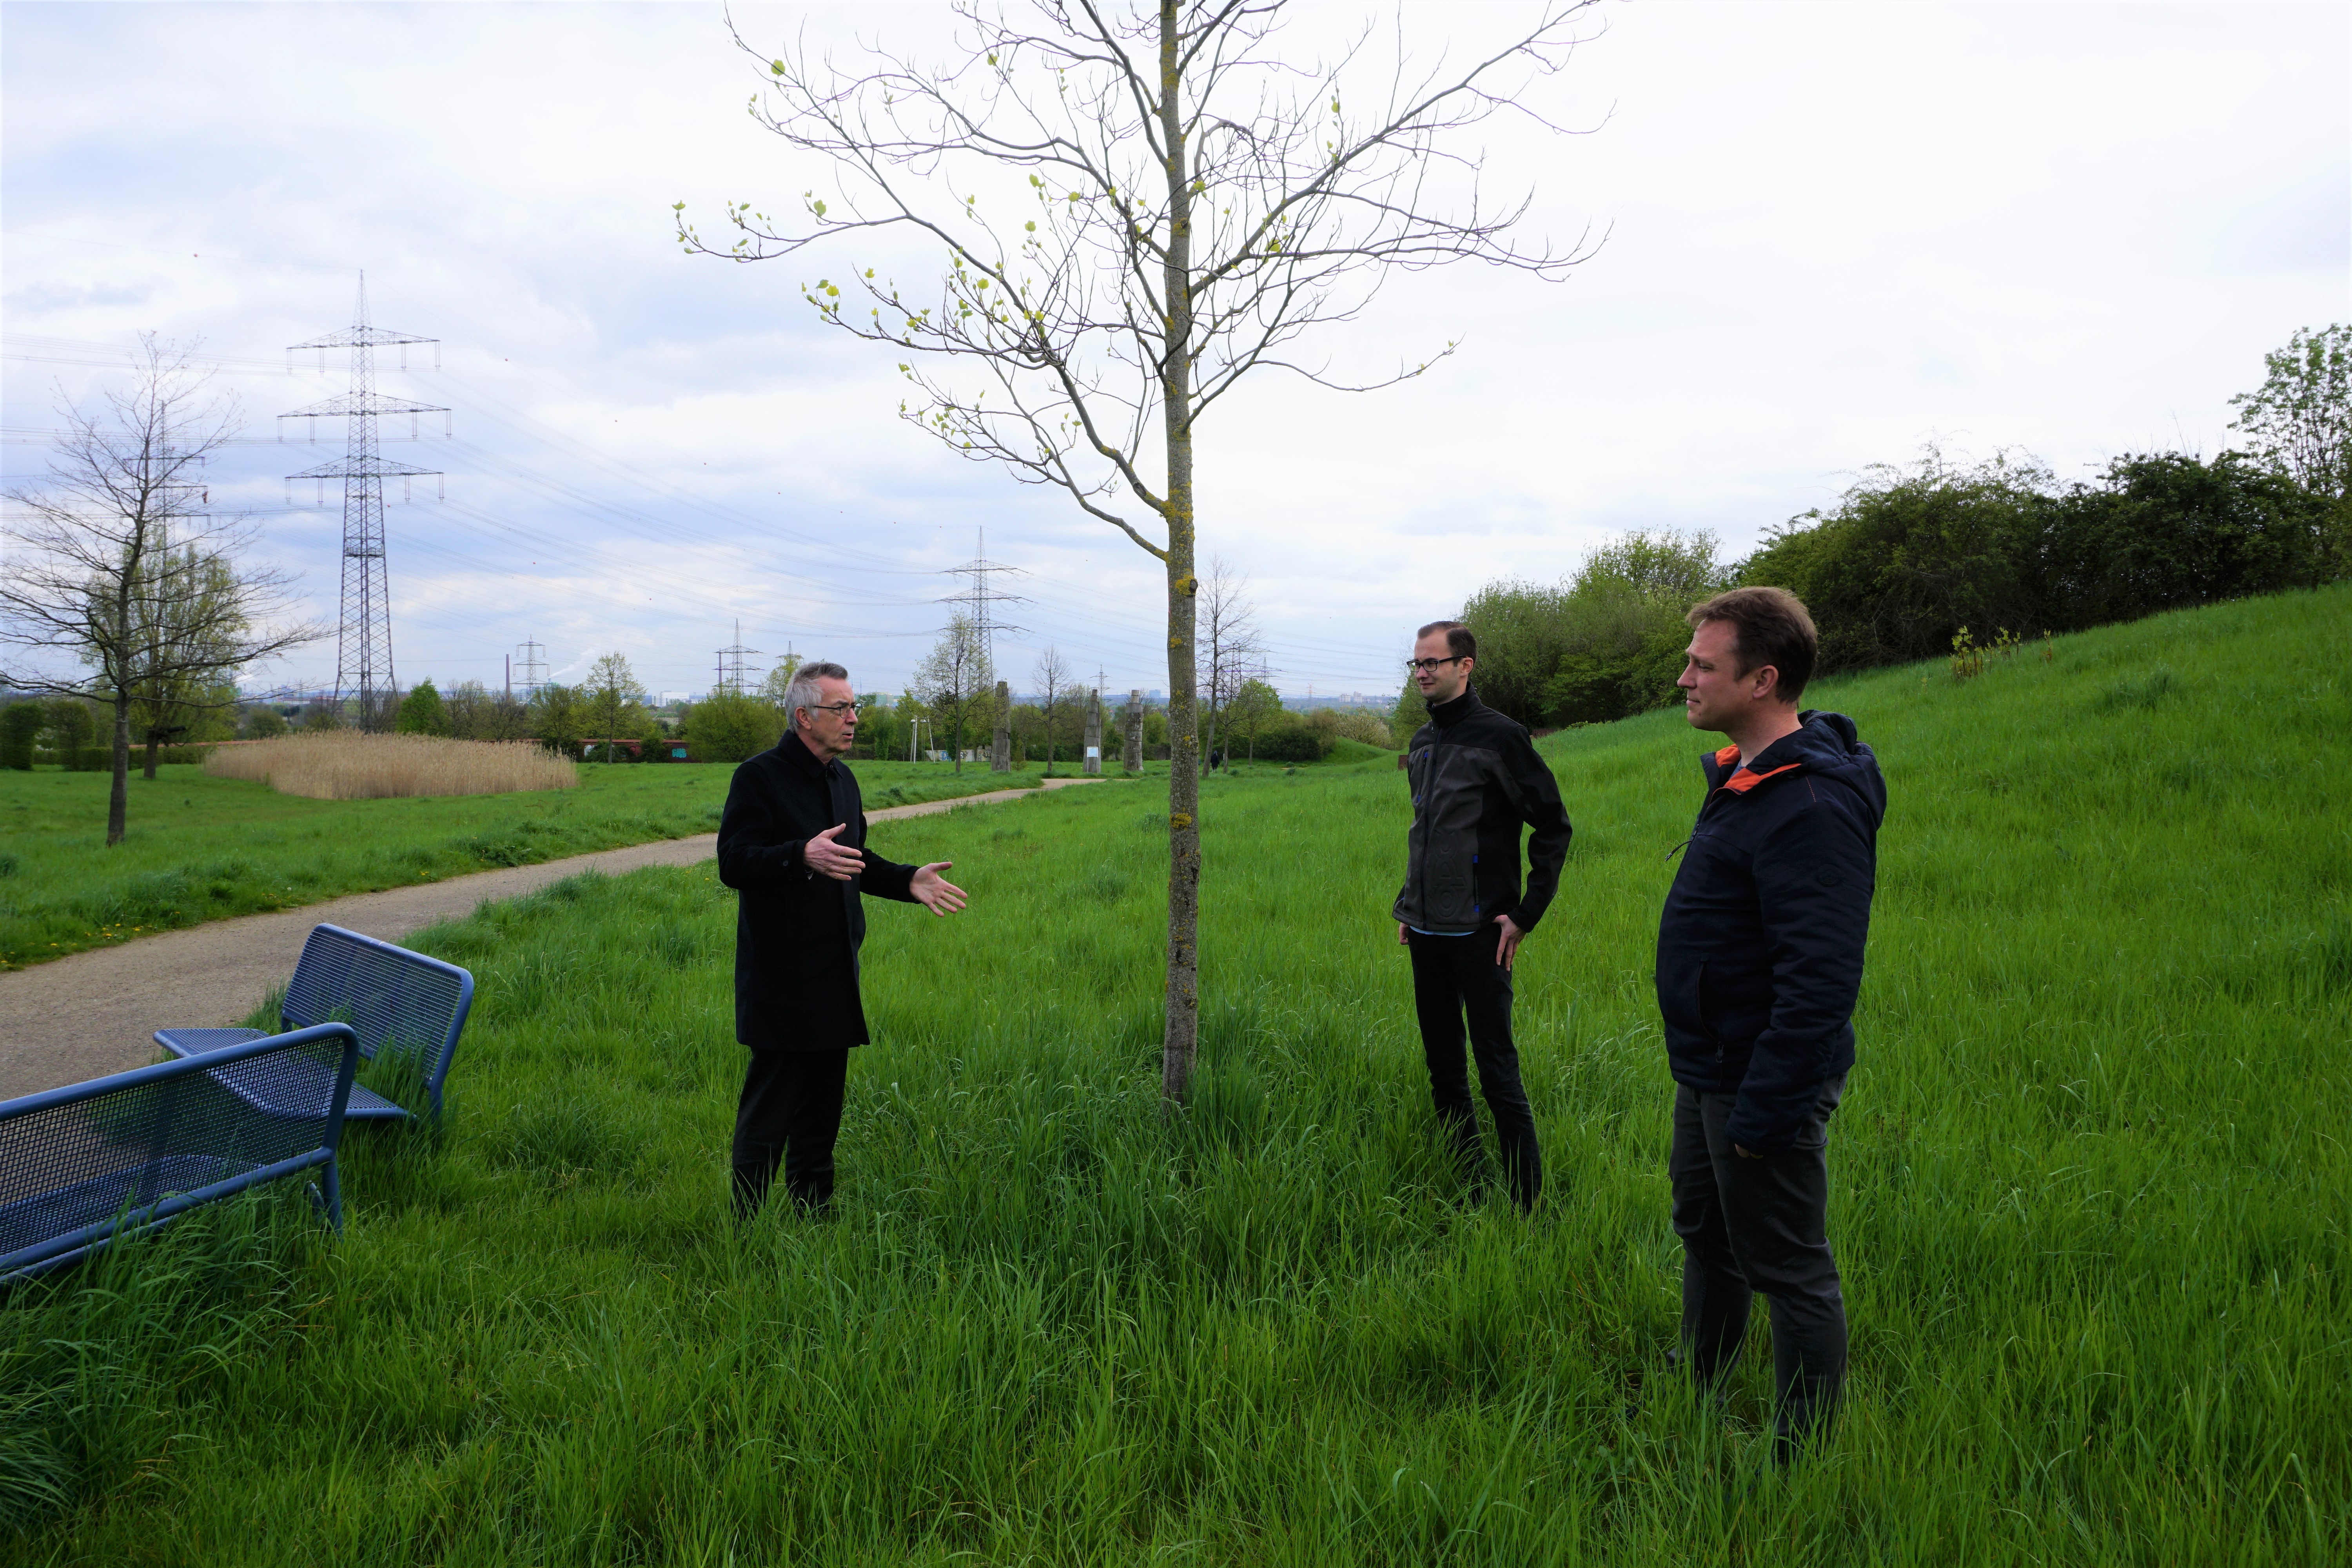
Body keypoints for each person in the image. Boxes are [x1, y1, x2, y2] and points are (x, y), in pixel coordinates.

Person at [1656, 586, 1885, 1459]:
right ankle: (1701, 1371)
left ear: (1763, 679)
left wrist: (1766, 1109)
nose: (1684, 677)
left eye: (1702, 665)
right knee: (1707, 1230)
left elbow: (1821, 982)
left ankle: (1802, 1451)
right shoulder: (1748, 777)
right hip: (1711, 1059)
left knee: (1788, 1262)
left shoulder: (1811, 806)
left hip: (1761, 1071)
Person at [716, 661, 968, 1217]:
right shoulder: (759, 777)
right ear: (805, 717)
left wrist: (906, 880)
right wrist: (798, 855)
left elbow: (855, 863)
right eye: (842, 709)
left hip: (835, 971)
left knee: (823, 1109)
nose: (853, 719)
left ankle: (814, 1214)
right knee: (771, 1107)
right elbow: (733, 863)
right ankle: (748, 1224)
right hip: (781, 975)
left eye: (855, 708)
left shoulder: (842, 780)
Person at [1392, 620, 1572, 1211]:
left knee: (1496, 1069)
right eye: (1416, 664)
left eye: (1433, 663)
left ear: (1465, 666)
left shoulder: (1502, 738)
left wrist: (1526, 914)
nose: (1422, 672)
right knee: (1443, 1066)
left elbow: (1552, 825)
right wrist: (1408, 904)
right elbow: (1428, 834)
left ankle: (1527, 1206)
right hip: (1424, 930)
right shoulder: (1421, 744)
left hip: (1480, 934)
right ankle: (1469, 1189)